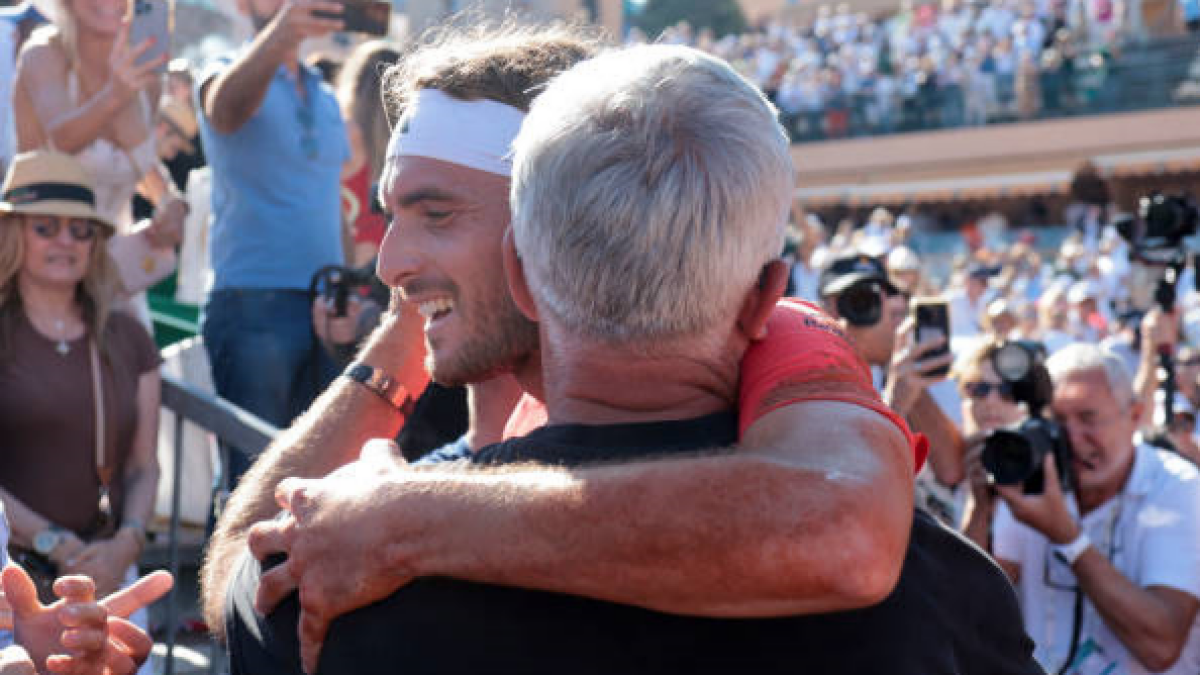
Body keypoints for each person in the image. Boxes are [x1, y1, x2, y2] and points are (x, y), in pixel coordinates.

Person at [224, 42, 1041, 675]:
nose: (391, 263)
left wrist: (403, 521)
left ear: (521, 263)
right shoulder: (946, 587)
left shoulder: (333, 569)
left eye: (435, 212)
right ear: (766, 296)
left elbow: (241, 572)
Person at [196, 0, 350, 483]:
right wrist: (281, 36)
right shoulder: (219, 70)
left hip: (325, 307)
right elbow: (224, 110)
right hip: (253, 305)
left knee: (317, 484)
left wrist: (351, 284)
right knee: (253, 485)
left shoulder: (323, 92)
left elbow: (330, 196)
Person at [0, 151, 160, 614]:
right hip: (11, 580)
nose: (65, 240)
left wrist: (126, 544)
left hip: (106, 575)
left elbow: (143, 465)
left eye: (80, 228)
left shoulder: (128, 336)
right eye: (45, 227)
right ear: (13, 235)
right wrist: (54, 543)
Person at [992, 343, 1200, 673]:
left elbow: (1162, 646)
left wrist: (1070, 541)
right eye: (1058, 421)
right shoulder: (1034, 480)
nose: (1073, 438)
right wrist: (980, 506)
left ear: (1134, 415)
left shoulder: (1177, 486)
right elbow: (973, 610)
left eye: (1088, 419)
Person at [12, 0, 187, 326]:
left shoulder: (147, 74)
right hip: (44, 268)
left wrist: (170, 201)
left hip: (117, 277)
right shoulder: (44, 55)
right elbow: (63, 138)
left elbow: (138, 161)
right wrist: (115, 95)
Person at [336, 40, 397, 267]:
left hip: (342, 270)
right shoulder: (409, 143)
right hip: (391, 272)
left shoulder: (339, 135)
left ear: (353, 84)